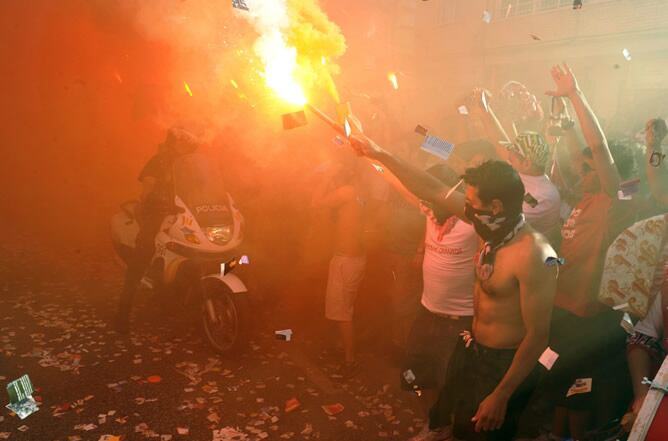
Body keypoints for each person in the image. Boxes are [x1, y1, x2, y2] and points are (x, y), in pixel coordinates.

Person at [349, 134, 558, 440]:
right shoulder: (491, 223)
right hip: (472, 349)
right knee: (460, 428)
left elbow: (538, 337)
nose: (465, 210)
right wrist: (379, 152)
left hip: (503, 365)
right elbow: (432, 188)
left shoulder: (535, 254)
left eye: (471, 204)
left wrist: (501, 395)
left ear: (496, 206)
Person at [540, 64, 640, 440]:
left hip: (587, 317)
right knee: (559, 383)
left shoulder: (618, 201)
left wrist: (575, 96)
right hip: (563, 308)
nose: (580, 175)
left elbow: (598, 149)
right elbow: (578, 156)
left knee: (579, 390)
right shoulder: (585, 198)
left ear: (609, 172)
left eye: (589, 169)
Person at [114, 127, 199, 333]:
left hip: (183, 215)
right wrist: (153, 205)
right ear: (173, 141)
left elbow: (200, 188)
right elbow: (147, 190)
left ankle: (173, 301)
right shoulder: (158, 161)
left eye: (189, 142)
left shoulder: (189, 164)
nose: (187, 146)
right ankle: (122, 314)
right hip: (157, 215)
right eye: (183, 141)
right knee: (142, 255)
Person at [472, 89, 561, 245]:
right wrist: (485, 111)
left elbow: (503, 220)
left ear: (527, 163)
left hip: (529, 262)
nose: (508, 156)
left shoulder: (543, 195)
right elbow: (498, 140)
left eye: (513, 153)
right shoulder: (524, 171)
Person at [311, 150, 367, 379]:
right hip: (355, 258)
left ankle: (350, 361)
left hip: (346, 260)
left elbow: (315, 204)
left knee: (343, 313)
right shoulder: (360, 191)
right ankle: (339, 349)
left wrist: (325, 178)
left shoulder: (346, 191)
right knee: (342, 309)